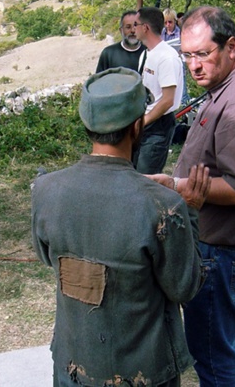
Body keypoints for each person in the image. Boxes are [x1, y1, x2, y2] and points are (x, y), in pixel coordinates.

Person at [31, 67, 210, 387]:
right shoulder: (162, 206)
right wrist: (192, 211)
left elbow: (49, 259)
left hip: (72, 365)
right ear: (139, 126)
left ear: (87, 124)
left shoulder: (45, 191)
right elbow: (185, 287)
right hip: (143, 373)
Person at [149, 6, 235, 386]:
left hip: (221, 252)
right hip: (217, 248)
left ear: (230, 47)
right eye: (186, 56)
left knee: (212, 356)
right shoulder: (227, 87)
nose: (193, 66)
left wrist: (177, 187)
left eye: (202, 54)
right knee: (223, 347)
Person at [133, 6, 183, 174]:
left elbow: (168, 99)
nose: (133, 29)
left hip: (158, 125)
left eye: (136, 24)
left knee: (147, 177)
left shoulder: (167, 57)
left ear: (145, 27)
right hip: (143, 120)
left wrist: (144, 122)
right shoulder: (146, 54)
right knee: (133, 172)